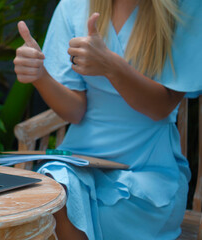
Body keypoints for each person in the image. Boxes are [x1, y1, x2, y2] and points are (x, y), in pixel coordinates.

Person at [13, 0, 202, 239]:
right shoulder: (73, 6)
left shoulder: (185, 6)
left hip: (148, 168)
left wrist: (111, 66)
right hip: (81, 160)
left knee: (84, 213)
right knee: (52, 196)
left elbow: (160, 108)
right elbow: (75, 111)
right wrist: (40, 76)